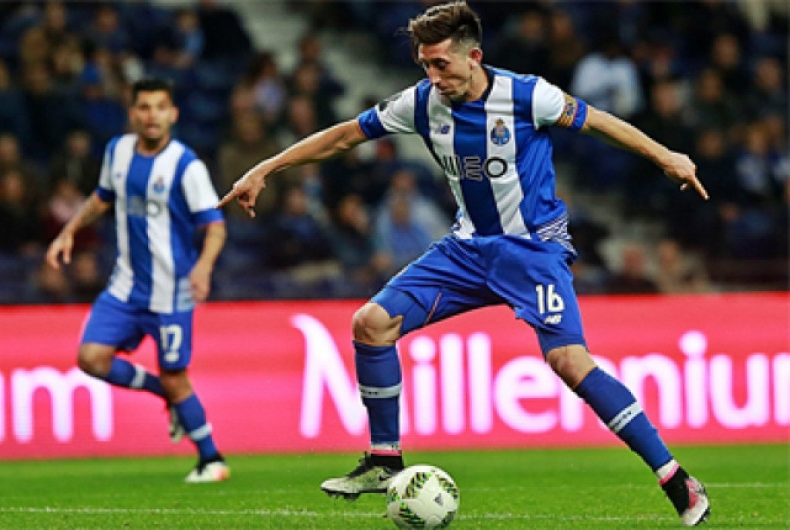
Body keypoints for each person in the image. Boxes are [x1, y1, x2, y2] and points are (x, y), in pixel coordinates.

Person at [218, 2, 710, 525]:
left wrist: (666, 156)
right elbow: (342, 136)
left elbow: (601, 123)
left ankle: (675, 478)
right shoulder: (422, 103)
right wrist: (265, 168)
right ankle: (385, 460)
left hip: (531, 250)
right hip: (466, 249)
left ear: (473, 56)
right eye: (425, 65)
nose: (433, 76)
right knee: (370, 324)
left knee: (569, 361)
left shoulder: (527, 95)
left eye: (441, 65)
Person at [46, 78, 229, 483]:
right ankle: (165, 396)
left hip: (172, 294)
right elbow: (101, 198)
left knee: (176, 376)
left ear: (173, 114)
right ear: (133, 114)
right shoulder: (118, 152)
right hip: (125, 288)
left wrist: (203, 267)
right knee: (91, 358)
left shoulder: (186, 166)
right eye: (144, 107)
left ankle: (211, 460)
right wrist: (69, 231)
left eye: (160, 107)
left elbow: (215, 225)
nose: (151, 116)